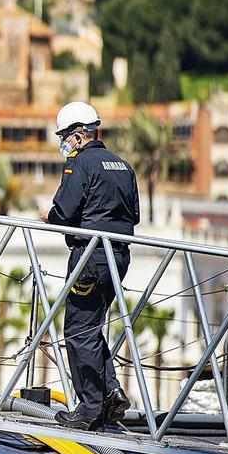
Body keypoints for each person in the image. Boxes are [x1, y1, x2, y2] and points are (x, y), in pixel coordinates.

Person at [40, 101, 140, 431]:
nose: (64, 142)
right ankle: (110, 392)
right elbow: (133, 216)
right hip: (119, 257)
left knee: (78, 329)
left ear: (80, 135)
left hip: (89, 257)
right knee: (92, 326)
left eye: (65, 136)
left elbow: (65, 212)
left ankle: (89, 408)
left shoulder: (79, 163)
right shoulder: (123, 165)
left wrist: (49, 217)